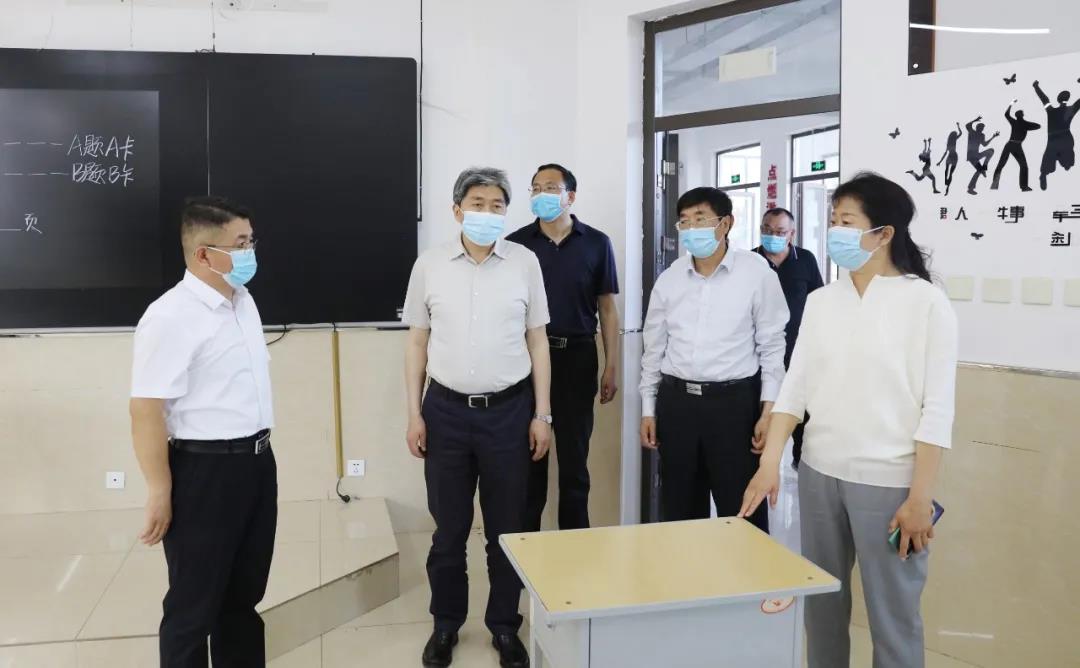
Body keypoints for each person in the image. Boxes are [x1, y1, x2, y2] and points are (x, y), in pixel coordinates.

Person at [740, 173, 958, 668]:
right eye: (833, 219)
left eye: (847, 221)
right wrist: (770, 463)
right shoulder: (823, 301)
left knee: (893, 618)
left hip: (888, 483)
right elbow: (795, 390)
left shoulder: (926, 303)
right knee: (821, 610)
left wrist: (920, 498)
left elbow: (937, 410)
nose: (835, 230)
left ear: (884, 233)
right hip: (819, 473)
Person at [403, 167, 553, 668]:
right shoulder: (430, 265)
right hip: (444, 413)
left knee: (505, 529)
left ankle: (504, 626)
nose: (487, 213)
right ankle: (445, 624)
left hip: (509, 413)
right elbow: (417, 342)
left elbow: (537, 341)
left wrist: (543, 415)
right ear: (456, 210)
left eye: (496, 205)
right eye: (477, 204)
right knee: (448, 530)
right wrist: (414, 414)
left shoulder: (525, 262)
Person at [130, 196, 276, 668]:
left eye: (251, 241)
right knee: (193, 606)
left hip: (257, 464)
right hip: (204, 472)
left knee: (243, 598)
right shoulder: (169, 316)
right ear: (203, 254)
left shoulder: (242, 302)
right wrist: (159, 489)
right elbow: (145, 409)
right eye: (240, 244)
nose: (250, 252)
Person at [639, 187, 788, 531]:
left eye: (700, 219)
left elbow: (772, 347)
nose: (692, 228)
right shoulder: (670, 279)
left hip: (733, 406)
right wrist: (648, 408)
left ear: (725, 224)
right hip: (677, 405)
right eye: (685, 221)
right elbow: (654, 347)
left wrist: (769, 411)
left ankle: (747, 567)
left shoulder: (756, 274)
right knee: (679, 513)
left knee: (742, 513)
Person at [507, 163, 620, 532]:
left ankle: (575, 546)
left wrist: (611, 365)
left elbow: (607, 309)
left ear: (569, 196)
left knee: (574, 462)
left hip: (577, 358)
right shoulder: (516, 244)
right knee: (529, 461)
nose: (541, 193)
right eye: (535, 187)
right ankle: (525, 546)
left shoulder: (597, 242)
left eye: (550, 187)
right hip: (526, 360)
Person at [753, 208, 824, 470]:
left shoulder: (805, 260)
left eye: (780, 232)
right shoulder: (750, 261)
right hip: (758, 358)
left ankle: (800, 463)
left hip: (799, 355)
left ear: (791, 234)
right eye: (767, 230)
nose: (772, 236)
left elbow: (819, 302)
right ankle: (759, 466)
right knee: (761, 416)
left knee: (802, 417)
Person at [1033, 78, 1080, 190]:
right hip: (1065, 138)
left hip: (1053, 139)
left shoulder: (1051, 110)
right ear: (1067, 100)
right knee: (1067, 158)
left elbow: (1044, 99)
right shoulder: (1070, 110)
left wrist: (1036, 86)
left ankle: (1044, 174)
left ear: (1058, 100)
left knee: (1049, 157)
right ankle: (1066, 163)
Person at [990, 102, 1041, 191]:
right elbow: (1038, 126)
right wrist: (1028, 125)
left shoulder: (1014, 122)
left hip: (1009, 145)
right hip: (1016, 146)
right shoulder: (1025, 124)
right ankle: (1024, 187)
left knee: (1001, 164)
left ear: (1016, 116)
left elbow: (1006, 114)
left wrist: (1011, 104)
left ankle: (994, 185)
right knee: (1023, 166)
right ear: (1022, 115)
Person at [964, 116, 1000, 195]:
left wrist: (993, 137)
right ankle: (970, 188)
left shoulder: (981, 135)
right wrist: (975, 120)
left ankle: (984, 167)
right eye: (980, 128)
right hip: (971, 156)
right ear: (977, 128)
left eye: (982, 128)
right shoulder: (972, 132)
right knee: (979, 171)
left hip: (977, 155)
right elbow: (967, 125)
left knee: (991, 151)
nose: (981, 129)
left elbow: (984, 144)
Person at [936, 122, 961, 196]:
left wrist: (958, 126)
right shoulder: (951, 142)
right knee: (948, 172)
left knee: (949, 172)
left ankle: (947, 186)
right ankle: (947, 185)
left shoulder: (951, 141)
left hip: (953, 157)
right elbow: (945, 153)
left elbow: (960, 133)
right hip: (952, 156)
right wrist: (940, 162)